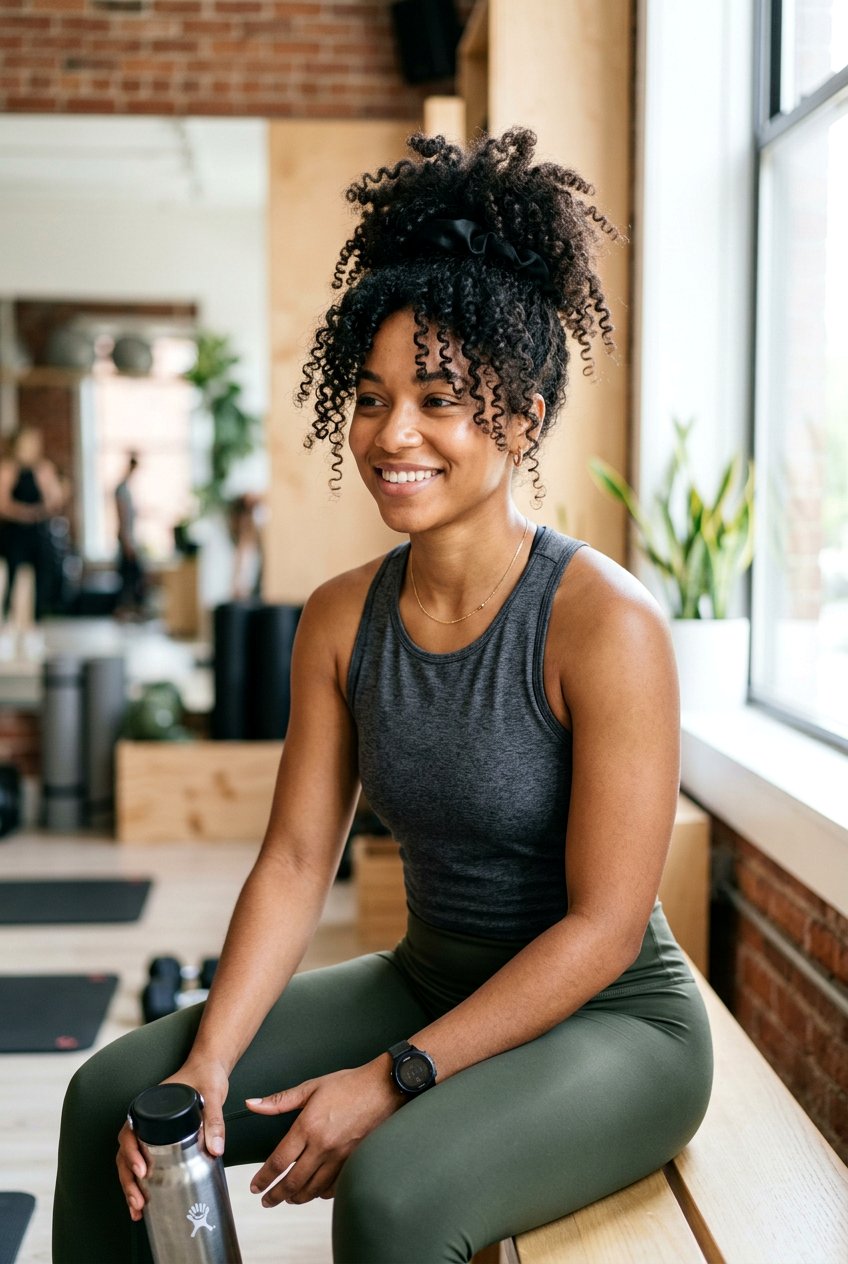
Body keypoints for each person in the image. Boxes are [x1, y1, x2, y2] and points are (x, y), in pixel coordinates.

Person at [53, 129, 713, 1264]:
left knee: (396, 1194)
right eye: (368, 397)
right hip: (429, 974)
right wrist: (207, 1059)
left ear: (525, 416)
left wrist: (393, 1077)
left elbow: (604, 931)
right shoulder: (341, 617)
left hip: (611, 1020)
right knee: (116, 1091)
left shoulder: (608, 626)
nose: (391, 435)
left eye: (439, 399)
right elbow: (298, 861)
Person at [0, 426, 65, 624]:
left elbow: (55, 500)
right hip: (14, 532)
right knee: (13, 577)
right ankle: (9, 622)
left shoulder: (43, 469)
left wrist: (43, 504)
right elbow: (3, 503)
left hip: (38, 530)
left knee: (42, 577)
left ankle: (36, 621)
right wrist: (23, 513)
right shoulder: (8, 469)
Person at [114, 452, 146, 620]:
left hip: (130, 539)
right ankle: (124, 609)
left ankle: (130, 608)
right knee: (129, 578)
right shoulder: (121, 489)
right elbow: (123, 517)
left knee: (132, 578)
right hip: (126, 541)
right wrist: (127, 542)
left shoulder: (127, 489)